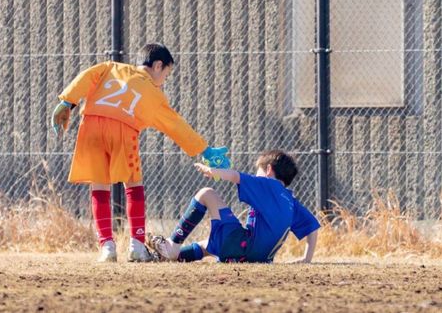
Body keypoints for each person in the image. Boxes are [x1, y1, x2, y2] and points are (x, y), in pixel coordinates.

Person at [51, 43, 228, 262]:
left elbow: (86, 77)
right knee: (133, 184)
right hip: (123, 131)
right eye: (166, 74)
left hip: (91, 126)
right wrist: (205, 150)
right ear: (157, 66)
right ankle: (136, 244)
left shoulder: (110, 67)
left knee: (99, 185)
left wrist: (67, 101)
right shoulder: (153, 94)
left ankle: (107, 246)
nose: (164, 81)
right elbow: (176, 126)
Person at [149, 150, 320, 263]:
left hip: (244, 247)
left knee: (206, 193)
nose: (256, 176)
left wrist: (212, 171)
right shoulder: (291, 200)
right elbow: (312, 228)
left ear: (268, 170)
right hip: (259, 258)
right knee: (208, 244)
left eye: (257, 171)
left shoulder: (267, 183)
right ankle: (167, 257)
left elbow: (235, 176)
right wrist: (306, 259)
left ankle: (171, 246)